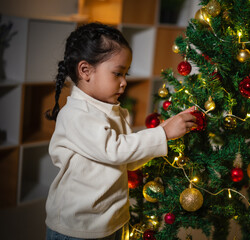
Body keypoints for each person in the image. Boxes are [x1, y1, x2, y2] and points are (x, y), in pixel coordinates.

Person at [45, 22, 197, 240]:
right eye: (117, 74)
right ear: (85, 70)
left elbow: (129, 160)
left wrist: (165, 127)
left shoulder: (114, 111)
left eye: (125, 74)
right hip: (78, 227)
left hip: (112, 220)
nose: (124, 82)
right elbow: (114, 150)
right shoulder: (76, 114)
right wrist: (163, 134)